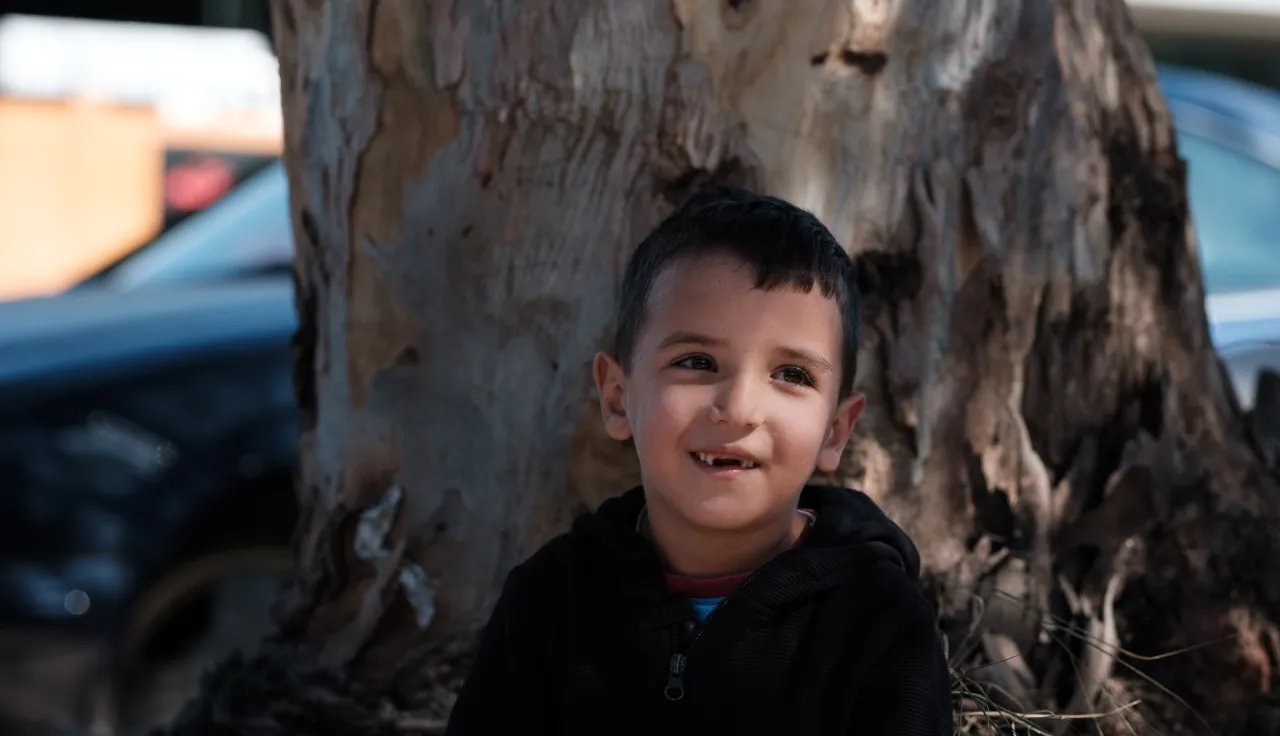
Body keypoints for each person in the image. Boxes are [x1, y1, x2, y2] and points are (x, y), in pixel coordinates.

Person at [445, 186, 953, 735]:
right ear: (617, 398)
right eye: (697, 361)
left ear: (836, 431)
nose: (739, 409)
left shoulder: (878, 624)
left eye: (792, 375)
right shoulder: (549, 604)